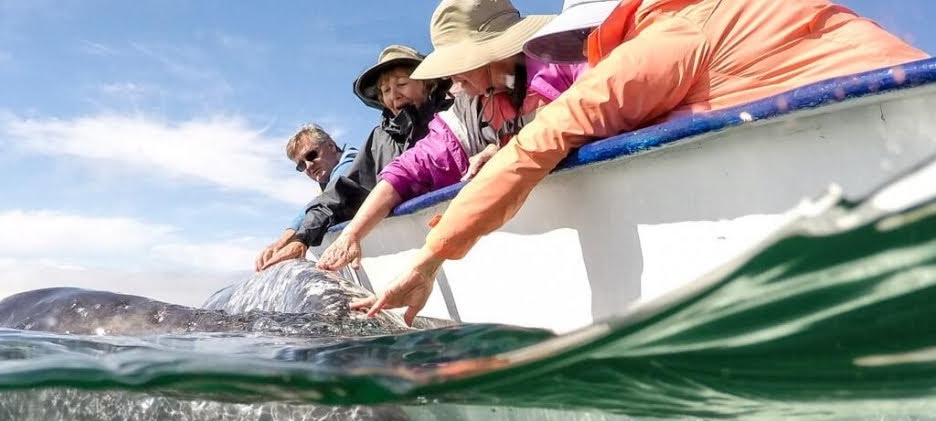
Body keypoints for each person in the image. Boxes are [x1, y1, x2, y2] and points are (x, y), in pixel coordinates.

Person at [354, 0, 928, 325]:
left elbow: (536, 145)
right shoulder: (725, 13)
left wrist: (429, 259)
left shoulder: (664, 42)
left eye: (588, 41)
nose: (585, 56)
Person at [318, 0, 576, 272]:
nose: (453, 78)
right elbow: (412, 167)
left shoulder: (568, 60)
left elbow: (592, 110)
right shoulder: (468, 109)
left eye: (459, 63)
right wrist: (352, 234)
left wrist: (507, 149)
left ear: (494, 51)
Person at [254, 45, 452, 271]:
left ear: (427, 83)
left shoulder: (455, 117)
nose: (394, 95)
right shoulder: (379, 140)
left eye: (402, 84)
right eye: (386, 90)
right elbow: (342, 193)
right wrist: (302, 238)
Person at [253, 125, 359, 271]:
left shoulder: (353, 164)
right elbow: (317, 205)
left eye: (311, 155)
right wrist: (281, 243)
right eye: (301, 165)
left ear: (331, 146)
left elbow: (328, 199)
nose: (308, 166)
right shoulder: (327, 184)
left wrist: (299, 240)